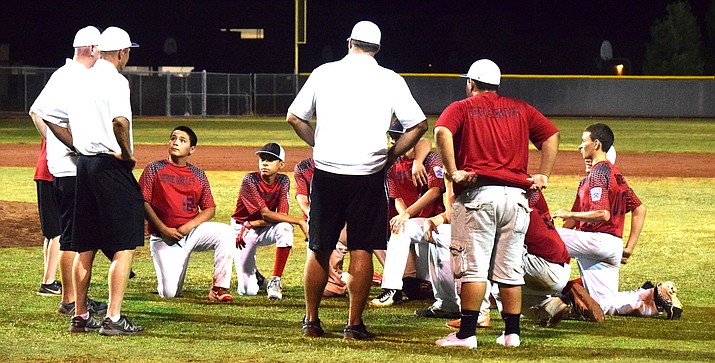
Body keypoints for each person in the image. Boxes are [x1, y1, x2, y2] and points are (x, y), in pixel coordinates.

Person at [287, 20, 427, 340]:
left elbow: (294, 117)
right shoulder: (389, 78)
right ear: (377, 49)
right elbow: (418, 125)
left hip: (327, 170)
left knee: (319, 247)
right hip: (368, 172)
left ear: (349, 42)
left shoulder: (324, 72)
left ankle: (311, 321)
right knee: (362, 247)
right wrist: (391, 155)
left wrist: (317, 145)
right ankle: (353, 325)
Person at [434, 59, 559, 349]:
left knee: (474, 269)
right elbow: (551, 135)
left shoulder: (462, 107)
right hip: (516, 198)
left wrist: (452, 172)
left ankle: (466, 334)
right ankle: (511, 334)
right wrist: (544, 174)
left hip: (480, 196)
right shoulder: (521, 108)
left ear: (472, 84)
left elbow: (441, 132)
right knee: (510, 269)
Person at [553, 126, 682, 319]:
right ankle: (655, 296)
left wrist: (562, 218)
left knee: (537, 239)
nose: (581, 147)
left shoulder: (598, 173)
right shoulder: (616, 177)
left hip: (596, 241)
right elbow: (640, 209)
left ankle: (527, 299)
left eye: (584, 141)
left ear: (596, 145)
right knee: (605, 305)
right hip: (612, 246)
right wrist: (629, 247)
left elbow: (602, 214)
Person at [66, 26, 143, 335]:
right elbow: (120, 121)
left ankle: (80, 315)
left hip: (83, 165)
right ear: (122, 53)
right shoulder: (116, 80)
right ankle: (113, 317)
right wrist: (125, 153)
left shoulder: (81, 79)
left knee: (84, 245)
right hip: (109, 166)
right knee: (124, 243)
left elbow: (62, 122)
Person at [29, 25, 109, 316]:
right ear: (91, 49)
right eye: (99, 48)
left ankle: (75, 298)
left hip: (66, 167)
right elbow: (46, 116)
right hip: (71, 169)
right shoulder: (73, 76)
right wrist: (72, 146)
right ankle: (70, 300)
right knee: (71, 237)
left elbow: (37, 112)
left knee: (74, 234)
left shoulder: (64, 74)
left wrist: (53, 145)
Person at [139, 126, 236, 302]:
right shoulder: (154, 168)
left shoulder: (198, 174)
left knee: (226, 232)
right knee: (169, 293)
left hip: (191, 233)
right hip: (163, 238)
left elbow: (209, 208)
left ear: (191, 149)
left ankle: (218, 288)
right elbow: (142, 201)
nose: (176, 142)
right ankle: (178, 267)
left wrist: (187, 227)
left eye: (182, 140)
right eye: (173, 138)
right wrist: (162, 228)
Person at [370, 119, 446, 308]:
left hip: (436, 222)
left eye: (397, 137)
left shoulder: (431, 159)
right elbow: (396, 197)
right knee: (400, 229)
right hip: (415, 224)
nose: (393, 141)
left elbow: (435, 191)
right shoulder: (393, 163)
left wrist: (407, 215)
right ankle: (392, 290)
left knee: (431, 285)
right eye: (392, 137)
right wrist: (405, 216)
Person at [231, 142, 308, 300]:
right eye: (262, 159)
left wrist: (254, 223)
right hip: (242, 231)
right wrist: (300, 221)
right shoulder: (250, 180)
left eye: (271, 159)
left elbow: (282, 215)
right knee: (248, 290)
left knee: (285, 227)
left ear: (281, 164)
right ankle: (258, 278)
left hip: (258, 226)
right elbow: (266, 214)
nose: (264, 163)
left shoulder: (283, 181)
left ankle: (275, 280)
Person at [294, 157, 348, 297]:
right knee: (316, 270)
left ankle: (342, 282)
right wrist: (315, 216)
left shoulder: (342, 162)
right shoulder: (303, 166)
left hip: (343, 220)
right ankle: (348, 278)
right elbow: (302, 198)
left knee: (330, 288)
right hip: (317, 222)